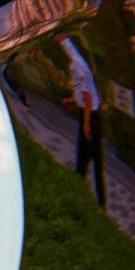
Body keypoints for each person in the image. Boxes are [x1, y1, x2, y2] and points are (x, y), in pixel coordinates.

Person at [59, 34, 106, 209]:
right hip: (90, 115)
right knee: (89, 160)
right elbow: (84, 93)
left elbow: (88, 99)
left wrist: (86, 124)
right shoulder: (78, 62)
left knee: (87, 159)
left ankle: (93, 200)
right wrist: (74, 101)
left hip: (90, 117)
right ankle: (91, 198)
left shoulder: (78, 64)